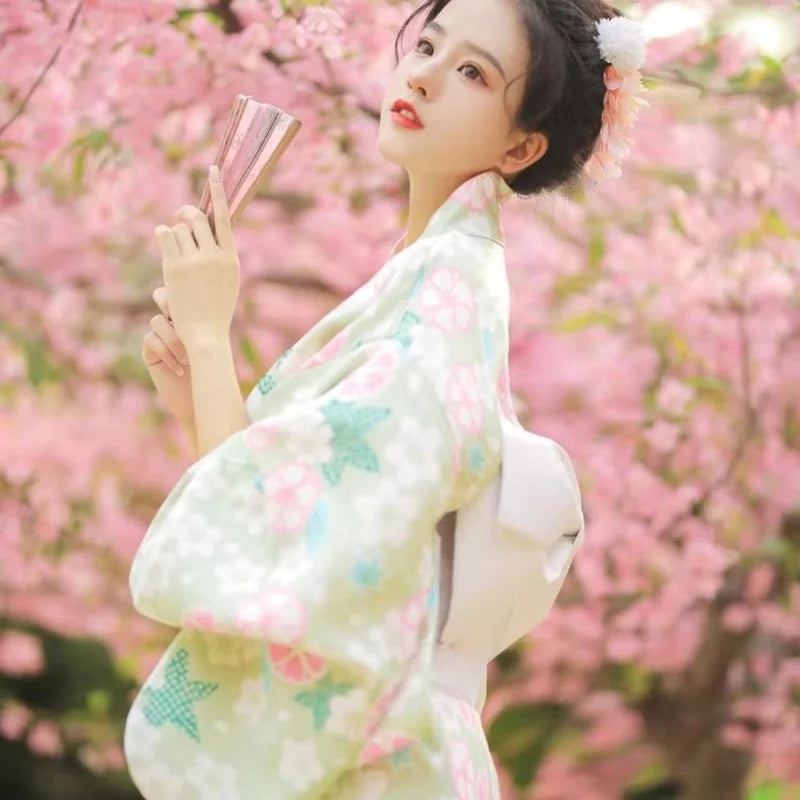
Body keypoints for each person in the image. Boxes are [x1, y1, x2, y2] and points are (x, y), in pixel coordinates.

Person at [128, 0, 648, 797]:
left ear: (520, 145)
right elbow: (301, 527)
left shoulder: (447, 294)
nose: (427, 75)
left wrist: (208, 338)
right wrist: (193, 383)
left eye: (472, 72)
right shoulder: (430, 275)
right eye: (430, 45)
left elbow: (298, 548)